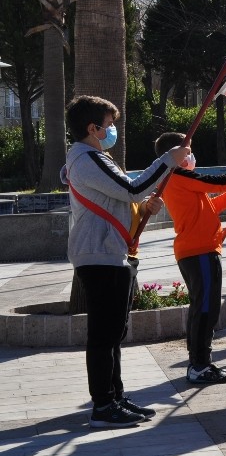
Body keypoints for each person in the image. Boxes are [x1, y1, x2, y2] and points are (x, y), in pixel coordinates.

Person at [62, 95, 190, 428]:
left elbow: (121, 198)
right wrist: (168, 159)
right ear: (93, 128)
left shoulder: (92, 157)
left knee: (113, 333)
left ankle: (114, 396)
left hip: (111, 252)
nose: (112, 130)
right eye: (109, 125)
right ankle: (103, 405)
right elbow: (132, 189)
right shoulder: (86, 158)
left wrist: (144, 207)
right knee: (104, 335)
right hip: (99, 256)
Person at [154, 132, 226, 384]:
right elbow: (214, 183)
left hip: (202, 248)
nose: (191, 154)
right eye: (188, 150)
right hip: (198, 250)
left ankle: (200, 362)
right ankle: (199, 365)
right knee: (205, 309)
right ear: (175, 154)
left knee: (205, 308)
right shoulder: (177, 174)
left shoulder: (181, 179)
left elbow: (213, 204)